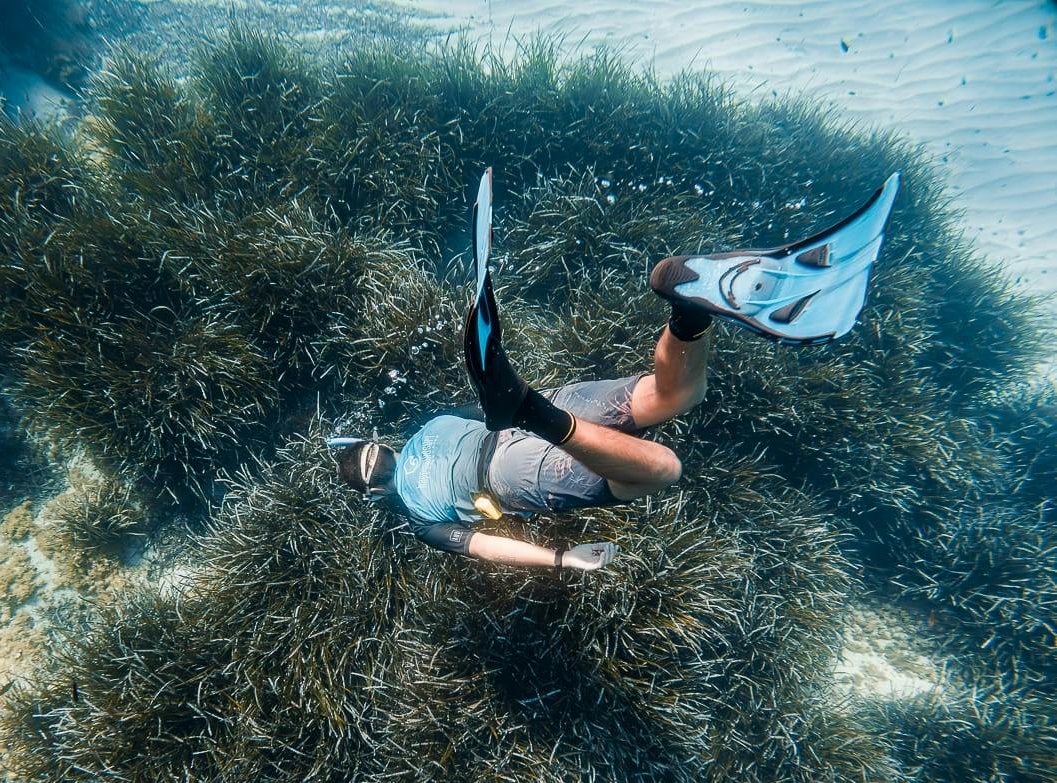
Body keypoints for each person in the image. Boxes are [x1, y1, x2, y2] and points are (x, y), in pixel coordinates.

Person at [331, 169, 900, 571]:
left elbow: (485, 546)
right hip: (527, 414)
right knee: (668, 396)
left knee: (658, 472)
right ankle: (687, 313)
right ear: (380, 443)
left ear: (370, 492)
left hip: (512, 476)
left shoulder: (415, 516)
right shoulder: (431, 425)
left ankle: (536, 411)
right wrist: (521, 405)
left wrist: (561, 557)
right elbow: (484, 408)